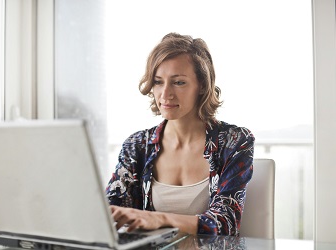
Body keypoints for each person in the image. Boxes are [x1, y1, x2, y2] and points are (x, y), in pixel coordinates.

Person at [105, 32, 255, 236]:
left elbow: (225, 222)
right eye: (158, 82)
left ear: (202, 85)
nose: (165, 94)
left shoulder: (234, 141)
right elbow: (109, 213)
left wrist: (159, 219)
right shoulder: (137, 145)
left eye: (179, 82)